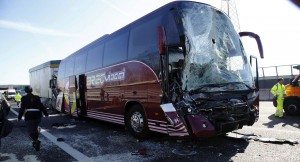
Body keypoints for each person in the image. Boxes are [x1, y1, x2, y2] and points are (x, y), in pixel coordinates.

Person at [18, 86, 48, 151]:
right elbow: (41, 106)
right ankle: (35, 141)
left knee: (30, 130)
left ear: (25, 91)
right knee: (35, 127)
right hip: (38, 115)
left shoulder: (24, 98)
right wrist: (46, 114)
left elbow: (22, 108)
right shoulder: (37, 97)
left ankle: (36, 141)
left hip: (29, 115)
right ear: (32, 90)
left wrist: (19, 117)